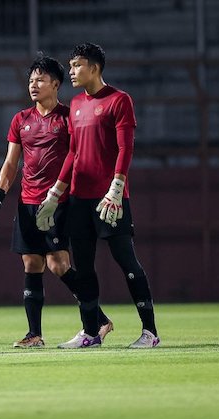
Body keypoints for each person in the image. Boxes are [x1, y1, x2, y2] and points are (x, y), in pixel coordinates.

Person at [36, 43, 160, 348]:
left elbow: (125, 148)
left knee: (126, 260)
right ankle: (91, 332)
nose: (73, 72)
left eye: (77, 65)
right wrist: (56, 193)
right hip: (80, 198)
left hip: (110, 200)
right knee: (86, 266)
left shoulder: (119, 100)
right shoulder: (76, 104)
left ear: (95, 67)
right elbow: (74, 153)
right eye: (71, 65)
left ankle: (150, 332)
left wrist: (116, 188)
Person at [0, 55, 113, 348]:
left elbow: (79, 157)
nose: (34, 85)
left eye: (40, 79)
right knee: (31, 263)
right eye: (31, 80)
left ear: (56, 84)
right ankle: (35, 334)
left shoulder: (69, 117)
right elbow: (10, 164)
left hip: (57, 203)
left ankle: (99, 320)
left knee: (57, 264)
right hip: (27, 203)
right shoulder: (21, 119)